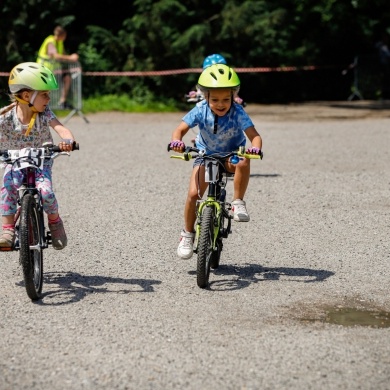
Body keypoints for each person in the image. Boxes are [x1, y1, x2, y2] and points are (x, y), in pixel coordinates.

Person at [170, 64, 263, 259]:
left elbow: (255, 136)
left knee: (243, 161)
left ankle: (237, 202)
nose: (220, 104)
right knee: (194, 195)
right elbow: (180, 130)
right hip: (205, 155)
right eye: (215, 99)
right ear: (205, 96)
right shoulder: (199, 109)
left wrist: (255, 147)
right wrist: (177, 141)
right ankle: (187, 234)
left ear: (233, 97)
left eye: (225, 99)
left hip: (230, 155)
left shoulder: (238, 112)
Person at [0, 62, 77, 249]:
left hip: (41, 161)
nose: (48, 98)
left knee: (46, 191)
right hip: (14, 161)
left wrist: (68, 141)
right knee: (7, 187)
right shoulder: (6, 116)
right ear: (27, 96)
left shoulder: (45, 114)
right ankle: (8, 229)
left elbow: (62, 129)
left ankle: (55, 221)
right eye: (44, 94)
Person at [36, 25, 79, 109]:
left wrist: (69, 57)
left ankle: (62, 101)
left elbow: (62, 55)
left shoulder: (59, 42)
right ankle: (39, 106)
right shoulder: (50, 41)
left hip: (53, 69)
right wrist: (71, 58)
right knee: (44, 90)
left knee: (67, 78)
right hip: (44, 69)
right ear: (62, 35)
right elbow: (56, 56)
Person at [375, 33, 390, 99]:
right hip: (382, 66)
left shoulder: (387, 46)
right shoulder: (380, 45)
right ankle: (384, 95)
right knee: (384, 81)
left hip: (387, 66)